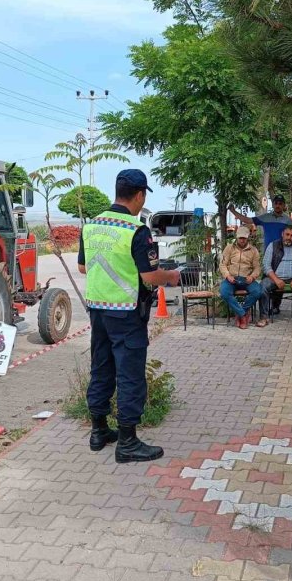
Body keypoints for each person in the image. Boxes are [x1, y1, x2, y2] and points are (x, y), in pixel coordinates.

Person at [78, 169, 181, 463]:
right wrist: (170, 276)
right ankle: (127, 442)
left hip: (98, 310)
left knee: (101, 368)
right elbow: (150, 275)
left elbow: (84, 268)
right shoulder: (137, 231)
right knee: (130, 375)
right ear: (139, 195)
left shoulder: (92, 225)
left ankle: (99, 431)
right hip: (126, 313)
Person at [219, 226, 263, 329]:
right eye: (240, 238)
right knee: (224, 292)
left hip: (246, 279)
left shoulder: (253, 250)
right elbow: (222, 264)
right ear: (236, 237)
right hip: (232, 279)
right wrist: (227, 275)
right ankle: (243, 315)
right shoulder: (229, 248)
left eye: (244, 238)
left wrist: (252, 277)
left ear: (248, 238)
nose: (242, 240)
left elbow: (257, 268)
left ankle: (240, 313)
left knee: (257, 291)